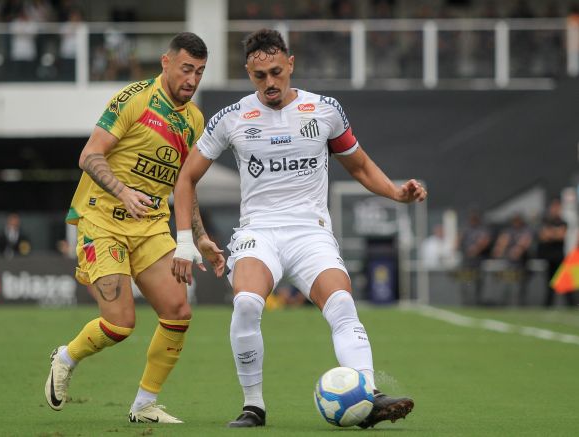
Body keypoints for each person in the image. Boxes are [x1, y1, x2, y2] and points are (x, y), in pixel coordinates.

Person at [171, 28, 423, 429]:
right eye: (259, 76)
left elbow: (357, 165)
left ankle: (368, 395)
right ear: (248, 74)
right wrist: (187, 242)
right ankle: (253, 406)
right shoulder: (232, 118)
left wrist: (395, 191)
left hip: (311, 232)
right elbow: (185, 179)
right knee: (247, 304)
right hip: (260, 232)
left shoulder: (324, 110)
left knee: (341, 303)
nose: (269, 83)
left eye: (276, 72)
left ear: (290, 65)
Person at [44, 32, 224, 424]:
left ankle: (144, 404)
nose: (192, 80)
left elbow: (185, 183)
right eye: (186, 69)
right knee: (120, 324)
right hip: (102, 220)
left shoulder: (194, 120)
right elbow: (89, 154)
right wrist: (123, 192)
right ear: (166, 62)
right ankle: (66, 357)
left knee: (178, 311)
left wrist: (199, 237)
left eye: (200, 72)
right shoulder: (134, 99)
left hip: (149, 226)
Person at [538, 198, 575, 307]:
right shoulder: (546, 221)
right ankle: (548, 305)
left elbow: (560, 235)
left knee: (565, 282)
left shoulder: (563, 222)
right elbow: (544, 236)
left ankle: (571, 305)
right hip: (549, 257)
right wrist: (554, 233)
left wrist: (551, 233)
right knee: (549, 283)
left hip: (559, 256)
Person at [491, 213, 533, 305]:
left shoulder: (525, 230)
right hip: (509, 264)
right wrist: (498, 251)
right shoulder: (509, 231)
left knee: (519, 288)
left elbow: (525, 242)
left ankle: (519, 305)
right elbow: (501, 243)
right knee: (507, 286)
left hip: (522, 264)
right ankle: (506, 304)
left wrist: (517, 250)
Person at [456, 210, 492, 305]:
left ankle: (476, 302)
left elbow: (485, 240)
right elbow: (458, 241)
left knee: (477, 282)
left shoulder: (482, 229)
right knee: (465, 281)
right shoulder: (466, 229)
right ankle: (466, 302)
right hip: (466, 260)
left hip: (477, 261)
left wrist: (476, 249)